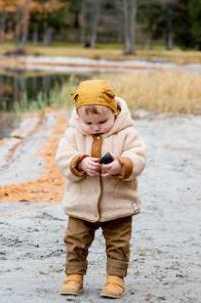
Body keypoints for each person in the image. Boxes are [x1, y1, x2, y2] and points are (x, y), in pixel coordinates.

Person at [55, 79, 146, 299]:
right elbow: (62, 157)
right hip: (81, 204)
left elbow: (139, 156)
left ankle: (115, 279)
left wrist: (120, 165)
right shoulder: (73, 134)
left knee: (118, 244)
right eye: (88, 123)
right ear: (78, 118)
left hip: (119, 204)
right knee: (75, 242)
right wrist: (80, 162)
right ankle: (74, 276)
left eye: (102, 121)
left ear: (115, 113)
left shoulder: (127, 133)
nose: (95, 127)